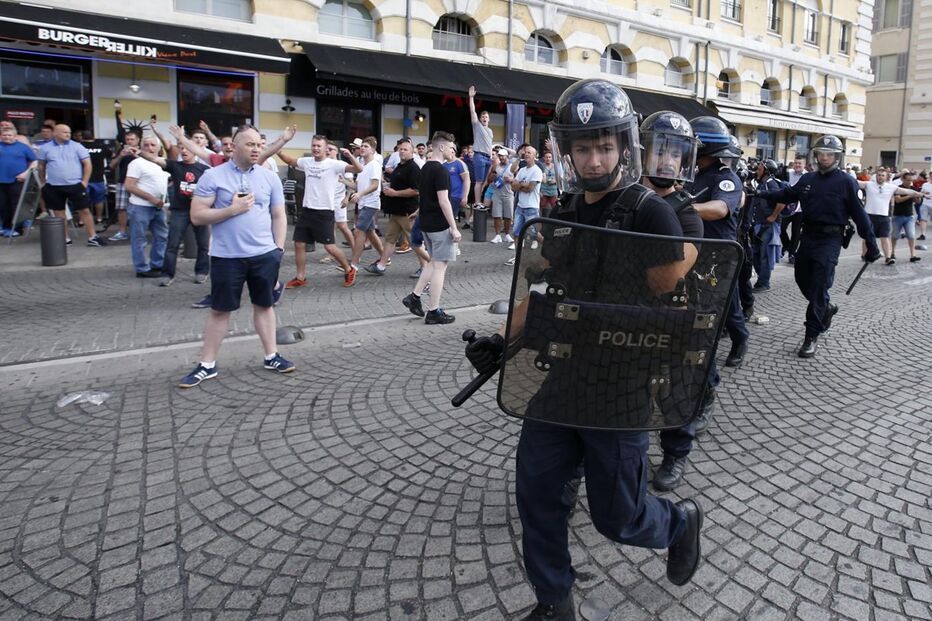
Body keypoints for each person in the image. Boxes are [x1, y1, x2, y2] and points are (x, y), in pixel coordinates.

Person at [464, 80, 703, 621]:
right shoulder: (564, 208)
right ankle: (555, 602)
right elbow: (543, 290)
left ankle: (677, 522)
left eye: (604, 147)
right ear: (567, 150)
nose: (593, 160)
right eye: (582, 147)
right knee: (539, 499)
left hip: (621, 386)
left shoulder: (650, 212)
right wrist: (502, 339)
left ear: (622, 146)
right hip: (562, 378)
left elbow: (672, 305)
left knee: (618, 518)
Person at [179, 126, 293, 388]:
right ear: (235, 147)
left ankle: (271, 355)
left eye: (259, 145)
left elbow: (278, 215)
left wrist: (278, 249)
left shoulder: (269, 177)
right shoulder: (212, 176)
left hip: (264, 255)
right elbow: (197, 216)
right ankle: (207, 364)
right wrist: (232, 209)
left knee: (265, 305)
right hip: (226, 256)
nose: (256, 149)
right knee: (220, 310)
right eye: (250, 144)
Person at [756, 135, 881, 358]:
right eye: (821, 153)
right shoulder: (808, 179)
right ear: (816, 155)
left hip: (830, 240)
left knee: (819, 286)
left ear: (837, 157)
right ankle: (826, 307)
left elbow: (860, 215)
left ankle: (811, 336)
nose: (825, 157)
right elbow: (787, 194)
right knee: (802, 279)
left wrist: (871, 244)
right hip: (808, 237)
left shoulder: (846, 181)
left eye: (829, 154)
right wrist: (760, 193)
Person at [637, 110, 704, 492]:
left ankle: (676, 452)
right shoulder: (627, 200)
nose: (666, 159)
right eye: (660, 150)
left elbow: (672, 274)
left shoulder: (687, 213)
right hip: (626, 312)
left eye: (675, 153)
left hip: (672, 314)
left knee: (675, 389)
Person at [685, 116, 747, 429]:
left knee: (704, 329)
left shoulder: (724, 177)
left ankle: (706, 393)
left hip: (716, 262)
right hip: (689, 258)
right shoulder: (690, 175)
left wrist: (680, 207)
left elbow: (720, 209)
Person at [277, 133, 360, 288]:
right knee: (299, 244)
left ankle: (349, 269)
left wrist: (349, 155)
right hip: (307, 210)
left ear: (324, 148)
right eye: (313, 145)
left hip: (324, 212)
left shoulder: (334, 164)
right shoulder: (307, 162)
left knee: (329, 247)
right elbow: (289, 160)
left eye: (319, 146)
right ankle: (300, 277)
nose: (315, 148)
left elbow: (358, 169)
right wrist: (277, 149)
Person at [402, 131, 461, 325]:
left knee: (433, 262)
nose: (453, 151)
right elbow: (444, 201)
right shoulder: (441, 170)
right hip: (439, 225)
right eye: (451, 148)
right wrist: (454, 227)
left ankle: (415, 296)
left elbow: (424, 197)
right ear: (441, 147)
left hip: (426, 223)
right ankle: (434, 310)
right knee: (440, 267)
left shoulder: (425, 167)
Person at [137, 135, 211, 285]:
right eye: (181, 148)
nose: (184, 151)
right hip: (179, 211)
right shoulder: (175, 166)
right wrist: (138, 151)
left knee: (203, 244)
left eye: (187, 148)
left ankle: (202, 272)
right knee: (172, 244)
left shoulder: (204, 170)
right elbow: (154, 159)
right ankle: (167, 274)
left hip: (199, 211)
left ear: (195, 151)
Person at [36, 124, 108, 247]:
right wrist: (43, 183)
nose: (68, 134)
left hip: (75, 184)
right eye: (64, 132)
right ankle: (65, 238)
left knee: (84, 210)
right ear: (55, 133)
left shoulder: (77, 146)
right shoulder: (45, 148)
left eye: (69, 132)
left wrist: (84, 182)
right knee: (59, 213)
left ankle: (93, 237)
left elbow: (87, 164)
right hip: (54, 186)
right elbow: (41, 166)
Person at [366, 139, 420, 275]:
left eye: (405, 149)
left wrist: (395, 193)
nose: (402, 151)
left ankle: (425, 266)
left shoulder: (413, 168)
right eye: (400, 149)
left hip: (407, 212)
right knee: (390, 239)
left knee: (415, 241)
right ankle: (381, 266)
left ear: (412, 152)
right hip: (395, 211)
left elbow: (416, 190)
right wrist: (389, 188)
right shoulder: (399, 166)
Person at [124, 135, 169, 277]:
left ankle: (157, 264)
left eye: (153, 145)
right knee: (139, 239)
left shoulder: (161, 163)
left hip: (159, 206)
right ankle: (142, 269)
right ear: (141, 147)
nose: (150, 148)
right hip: (140, 206)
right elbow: (129, 186)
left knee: (162, 236)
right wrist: (151, 198)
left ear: (159, 148)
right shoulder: (137, 163)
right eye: (146, 145)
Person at [750, 159, 786, 291]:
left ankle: (764, 283)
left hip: (768, 226)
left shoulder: (771, 184)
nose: (756, 170)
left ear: (766, 171)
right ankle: (762, 279)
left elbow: (782, 201)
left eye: (759, 168)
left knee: (764, 255)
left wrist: (773, 216)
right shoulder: (761, 184)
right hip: (759, 224)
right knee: (756, 254)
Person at [505, 145, 543, 266]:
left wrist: (519, 185)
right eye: (525, 152)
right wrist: (523, 184)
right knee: (516, 233)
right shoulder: (522, 170)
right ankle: (518, 257)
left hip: (531, 207)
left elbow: (530, 188)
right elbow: (513, 187)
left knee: (533, 234)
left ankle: (549, 250)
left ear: (535, 156)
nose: (526, 154)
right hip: (520, 207)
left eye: (529, 153)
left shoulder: (537, 170)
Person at [0, 125, 37, 236]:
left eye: (9, 135)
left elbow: (35, 161)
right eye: (4, 135)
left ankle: (17, 228)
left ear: (15, 136)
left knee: (16, 205)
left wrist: (26, 173)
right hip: (1, 181)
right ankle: (6, 227)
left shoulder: (23, 147)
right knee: (2, 205)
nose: (7, 137)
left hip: (17, 180)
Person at [75, 130, 113, 228]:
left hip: (82, 179)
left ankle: (81, 220)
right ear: (93, 137)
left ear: (81, 137)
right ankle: (99, 218)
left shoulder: (78, 147)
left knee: (82, 200)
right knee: (99, 200)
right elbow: (112, 155)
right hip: (99, 178)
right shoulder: (101, 146)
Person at [467, 86, 494, 222]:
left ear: (489, 119)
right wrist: (471, 97)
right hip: (478, 156)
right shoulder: (477, 126)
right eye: (482, 116)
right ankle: (477, 201)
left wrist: (492, 156)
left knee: (483, 182)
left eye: (486, 117)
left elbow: (489, 145)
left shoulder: (490, 131)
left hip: (487, 157)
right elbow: (472, 112)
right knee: (478, 181)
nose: (484, 118)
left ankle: (481, 201)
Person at [889, 171, 925, 263]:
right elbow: (898, 200)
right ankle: (892, 253)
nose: (909, 182)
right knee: (895, 236)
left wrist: (918, 197)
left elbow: (917, 202)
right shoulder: (898, 188)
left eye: (911, 180)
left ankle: (913, 255)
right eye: (908, 180)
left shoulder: (914, 188)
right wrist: (910, 195)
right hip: (897, 215)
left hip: (909, 216)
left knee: (911, 236)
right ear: (903, 179)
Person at [488, 148, 515, 244]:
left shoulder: (512, 167)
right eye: (500, 156)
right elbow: (489, 180)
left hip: (508, 193)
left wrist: (510, 180)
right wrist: (493, 177)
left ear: (507, 156)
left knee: (508, 216)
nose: (501, 157)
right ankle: (497, 235)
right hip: (497, 193)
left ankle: (507, 234)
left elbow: (517, 180)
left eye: (503, 156)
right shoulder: (495, 166)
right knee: (497, 215)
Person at [539, 151, 559, 217]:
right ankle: (543, 224)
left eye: (549, 157)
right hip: (543, 191)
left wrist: (555, 181)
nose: (548, 159)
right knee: (543, 208)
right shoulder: (541, 166)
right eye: (546, 157)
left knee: (555, 208)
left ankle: (554, 224)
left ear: (552, 158)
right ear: (544, 158)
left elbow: (561, 177)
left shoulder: (556, 166)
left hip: (553, 191)